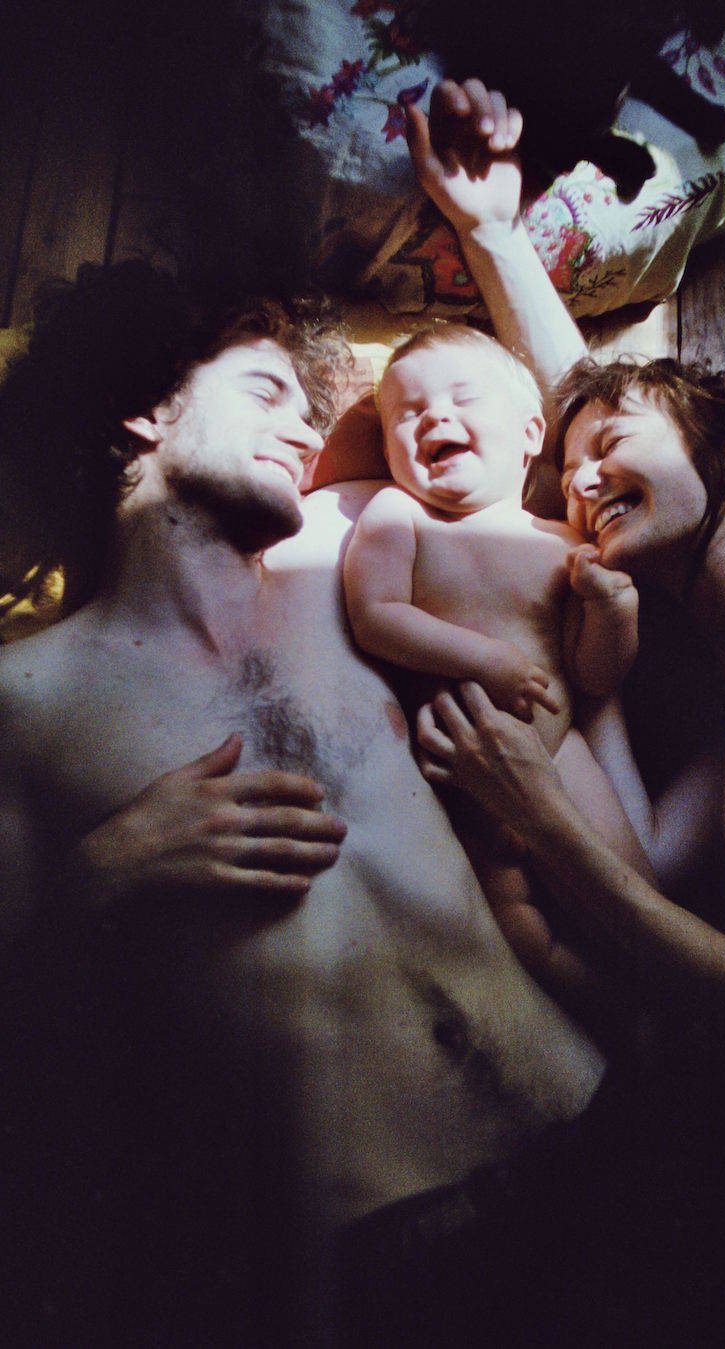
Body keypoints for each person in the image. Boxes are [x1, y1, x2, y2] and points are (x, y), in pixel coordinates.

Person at [0, 262, 605, 1343]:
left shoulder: (349, 548)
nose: (306, 432)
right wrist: (102, 872)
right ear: (144, 409)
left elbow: (596, 436)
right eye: (266, 392)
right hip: (389, 1252)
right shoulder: (25, 699)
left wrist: (495, 237)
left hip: (597, 1123)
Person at [409, 79, 725, 1340]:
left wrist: (533, 806)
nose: (576, 482)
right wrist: (489, 228)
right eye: (567, 469)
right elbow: (593, 405)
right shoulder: (724, 657)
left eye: (606, 450)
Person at [343, 323, 653, 1012]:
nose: (434, 417)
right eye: (407, 414)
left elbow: (595, 677)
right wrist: (483, 658)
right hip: (461, 775)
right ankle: (608, 1014)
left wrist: (612, 611)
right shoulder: (400, 515)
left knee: (634, 887)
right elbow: (375, 614)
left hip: (561, 754)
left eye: (462, 398)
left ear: (529, 434)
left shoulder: (563, 540)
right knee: (518, 933)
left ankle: (645, 1006)